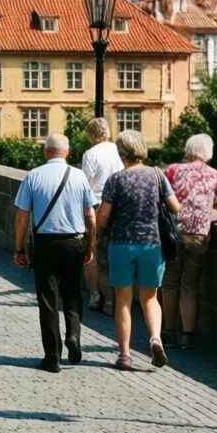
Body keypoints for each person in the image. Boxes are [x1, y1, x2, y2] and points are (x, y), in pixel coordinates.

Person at [96, 129, 181, 371]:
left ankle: (124, 354)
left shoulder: (116, 180)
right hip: (152, 245)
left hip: (121, 246)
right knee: (150, 297)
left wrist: (96, 234)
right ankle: (155, 338)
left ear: (121, 152)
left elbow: (103, 216)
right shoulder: (157, 175)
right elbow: (175, 207)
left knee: (123, 300)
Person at [12, 134, 97, 373]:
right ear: (68, 152)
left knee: (48, 298)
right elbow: (90, 215)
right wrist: (90, 245)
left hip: (46, 243)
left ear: (45, 152)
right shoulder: (79, 176)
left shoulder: (34, 176)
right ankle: (74, 336)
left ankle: (52, 356)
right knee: (72, 292)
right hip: (75, 241)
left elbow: (22, 216)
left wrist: (19, 247)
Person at [161, 134, 217, 349]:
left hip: (174, 234)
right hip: (199, 236)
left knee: (170, 283)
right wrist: (215, 208)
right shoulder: (214, 175)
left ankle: (169, 332)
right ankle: (188, 336)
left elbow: (160, 195)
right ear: (208, 153)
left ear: (188, 151)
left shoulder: (173, 170)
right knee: (190, 285)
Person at [80, 117, 124, 315]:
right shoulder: (119, 151)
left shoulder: (91, 154)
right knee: (114, 253)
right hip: (119, 206)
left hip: (97, 205)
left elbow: (87, 185)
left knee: (91, 251)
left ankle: (96, 294)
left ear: (94, 136)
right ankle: (116, 297)